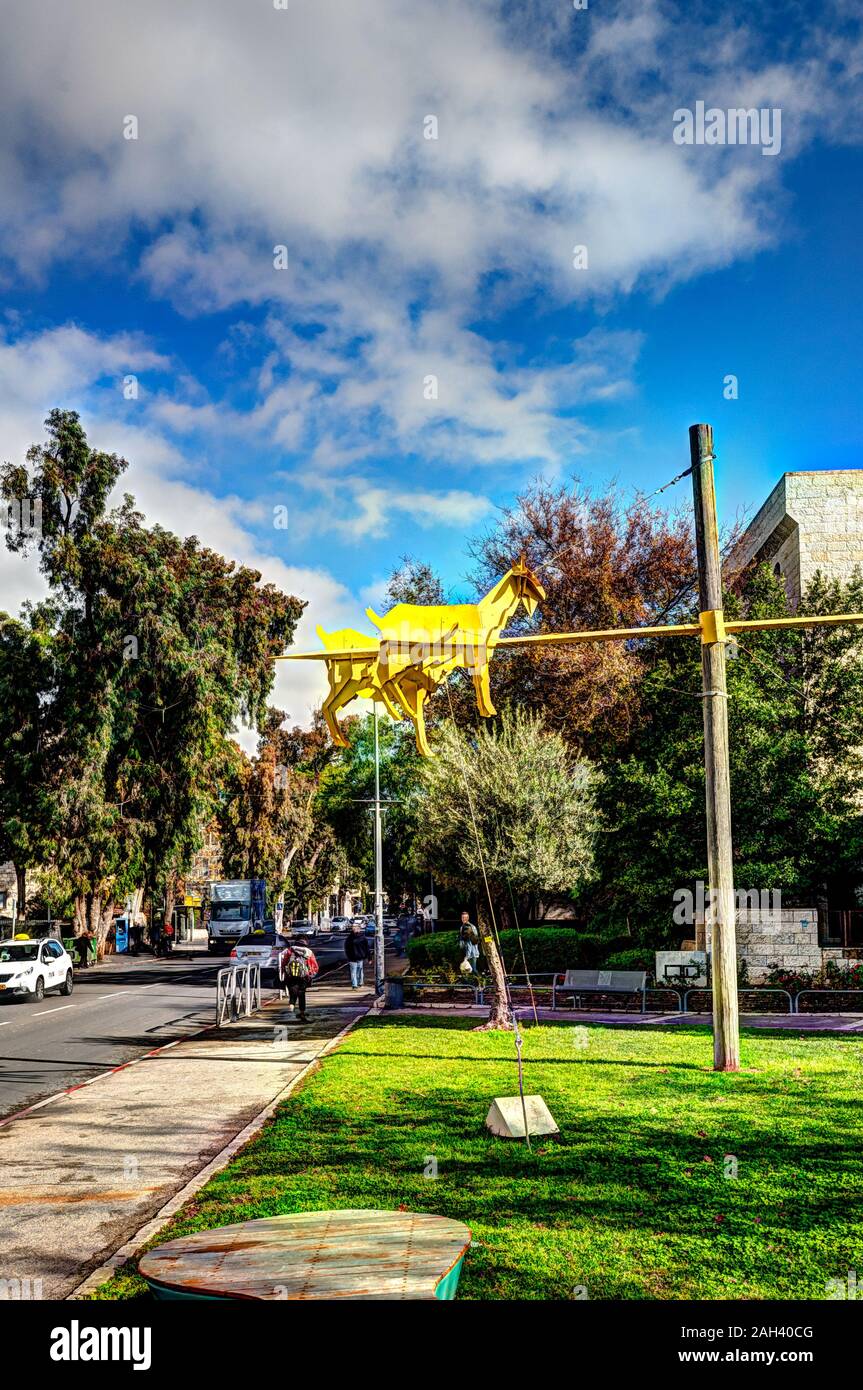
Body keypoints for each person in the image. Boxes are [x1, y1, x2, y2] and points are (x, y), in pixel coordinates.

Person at [284, 936, 319, 1021]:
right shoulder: (308, 952)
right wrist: (311, 975)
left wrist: (285, 973)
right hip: (304, 976)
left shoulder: (289, 951)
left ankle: (291, 1005)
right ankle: (302, 1012)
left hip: (291, 976)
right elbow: (315, 966)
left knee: (293, 991)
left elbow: (284, 962)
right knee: (301, 993)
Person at [344, 920, 370, 988]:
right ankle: (356, 984)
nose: (354, 929)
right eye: (353, 928)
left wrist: (369, 958)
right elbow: (347, 948)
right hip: (354, 957)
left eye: (355, 928)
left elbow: (367, 948)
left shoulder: (358, 938)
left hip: (357, 957)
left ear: (359, 929)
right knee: (356, 971)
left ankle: (359, 983)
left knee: (358, 971)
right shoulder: (351, 938)